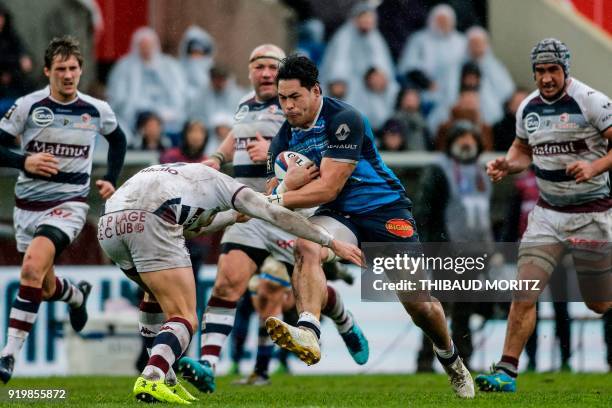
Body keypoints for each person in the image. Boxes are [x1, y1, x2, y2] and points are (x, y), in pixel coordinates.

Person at [264, 54, 474, 398]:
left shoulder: (344, 119)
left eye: (295, 97)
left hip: (383, 210)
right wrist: (283, 188)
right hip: (338, 215)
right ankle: (309, 330)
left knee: (420, 305)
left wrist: (279, 196)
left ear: (315, 91)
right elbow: (272, 188)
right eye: (282, 98)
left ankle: (451, 360)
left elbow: (328, 185)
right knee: (306, 246)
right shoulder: (284, 138)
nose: (287, 106)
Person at [178, 44, 368, 392]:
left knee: (305, 289)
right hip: (248, 212)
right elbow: (236, 136)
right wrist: (219, 159)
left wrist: (276, 156)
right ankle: (208, 365)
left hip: (287, 211)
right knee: (226, 284)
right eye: (258, 66)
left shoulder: (295, 109)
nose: (265, 73)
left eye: (271, 67)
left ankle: (342, 317)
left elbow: (318, 158)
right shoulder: (244, 105)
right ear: (250, 72)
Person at [97, 162, 362, 403]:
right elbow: (275, 214)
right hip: (151, 218)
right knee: (184, 316)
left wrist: (233, 217)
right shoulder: (228, 187)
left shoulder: (186, 181)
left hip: (109, 223)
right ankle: (153, 375)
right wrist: (328, 240)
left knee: (152, 294)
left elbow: (197, 227)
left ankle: (166, 378)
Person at [476, 38, 612, 392]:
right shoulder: (528, 108)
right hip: (548, 215)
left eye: (553, 70)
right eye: (540, 71)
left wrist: (595, 166)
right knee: (525, 291)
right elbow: (522, 149)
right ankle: (506, 372)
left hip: (592, 214)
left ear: (565, 69)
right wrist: (507, 164)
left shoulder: (591, 101)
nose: (547, 77)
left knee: (599, 303)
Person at [0, 36, 127, 383]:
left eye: (73, 69)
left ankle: (8, 354)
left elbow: (118, 139)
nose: (68, 75)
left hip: (68, 205)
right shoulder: (28, 106)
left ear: (81, 70)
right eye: (61, 69)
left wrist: (111, 179)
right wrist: (24, 160)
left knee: (29, 270)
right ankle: (74, 294)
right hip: (27, 208)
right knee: (40, 285)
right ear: (47, 72)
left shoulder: (96, 109)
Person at [413, 121, 493, 371]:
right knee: (438, 308)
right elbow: (424, 212)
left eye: (471, 137)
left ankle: (464, 361)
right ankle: (426, 360)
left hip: (474, 252)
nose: (467, 142)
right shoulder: (439, 170)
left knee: (464, 310)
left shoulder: (483, 173)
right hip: (446, 250)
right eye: (462, 137)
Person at [106, 27, 187, 135]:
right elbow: (118, 97)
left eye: (149, 46)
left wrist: (168, 112)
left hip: (167, 116)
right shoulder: (124, 67)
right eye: (143, 46)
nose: (146, 50)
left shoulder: (170, 66)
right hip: (134, 118)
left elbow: (180, 94)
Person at [319, 2, 395, 101]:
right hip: (348, 82)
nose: (367, 21)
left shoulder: (376, 38)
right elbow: (339, 61)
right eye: (364, 17)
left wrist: (378, 75)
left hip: (369, 85)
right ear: (355, 18)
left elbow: (381, 62)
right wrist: (339, 79)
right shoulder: (344, 35)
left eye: (370, 18)